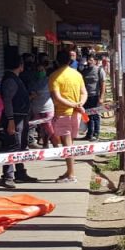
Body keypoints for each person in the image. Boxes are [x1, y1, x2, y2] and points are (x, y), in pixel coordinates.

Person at [0, 56, 39, 188]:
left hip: (21, 117)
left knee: (21, 146)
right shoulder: (10, 80)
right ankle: (8, 176)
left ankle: (20, 172)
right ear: (20, 65)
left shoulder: (15, 78)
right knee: (12, 145)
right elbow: (7, 101)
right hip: (15, 119)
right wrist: (10, 120)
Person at [48, 50, 87, 183]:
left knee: (67, 144)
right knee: (71, 144)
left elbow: (56, 98)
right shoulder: (77, 74)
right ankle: (70, 171)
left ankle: (71, 176)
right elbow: (84, 93)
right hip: (76, 114)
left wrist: (72, 105)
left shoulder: (54, 76)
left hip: (63, 114)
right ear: (70, 61)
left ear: (57, 61)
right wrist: (78, 104)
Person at [29, 59, 55, 149]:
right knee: (39, 127)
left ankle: (48, 142)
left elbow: (53, 93)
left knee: (49, 127)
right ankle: (43, 142)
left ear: (45, 71)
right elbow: (31, 94)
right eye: (38, 71)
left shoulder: (49, 81)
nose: (40, 72)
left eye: (42, 70)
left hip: (47, 108)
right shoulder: (32, 82)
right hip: (36, 108)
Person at [81, 55, 104, 141]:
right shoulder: (84, 71)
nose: (89, 62)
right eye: (88, 60)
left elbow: (103, 84)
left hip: (95, 96)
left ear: (95, 61)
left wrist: (101, 97)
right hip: (85, 97)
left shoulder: (99, 70)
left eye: (91, 60)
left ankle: (96, 133)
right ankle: (89, 133)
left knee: (95, 115)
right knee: (86, 115)